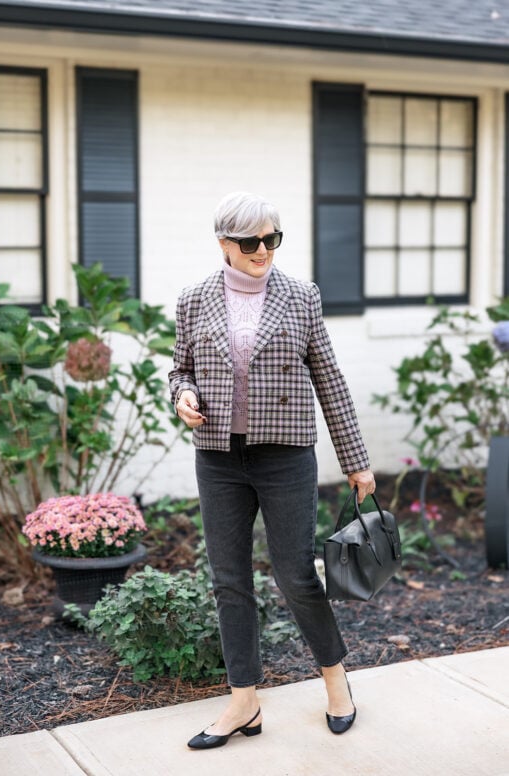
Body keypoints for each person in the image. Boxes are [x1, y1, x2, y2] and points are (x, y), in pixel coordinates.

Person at [169, 191, 375, 750]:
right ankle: (244, 703)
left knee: (296, 575)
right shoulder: (193, 299)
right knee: (229, 581)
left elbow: (329, 378)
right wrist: (182, 396)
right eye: (251, 242)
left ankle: (336, 680)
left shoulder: (301, 296)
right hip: (218, 457)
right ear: (224, 243)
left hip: (285, 456)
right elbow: (180, 368)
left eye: (272, 239)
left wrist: (355, 460)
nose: (263, 250)